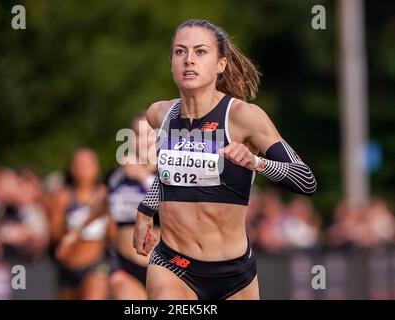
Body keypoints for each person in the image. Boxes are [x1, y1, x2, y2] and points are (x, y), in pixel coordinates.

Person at [133, 19, 317, 300]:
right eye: (180, 52)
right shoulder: (159, 114)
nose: (188, 60)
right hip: (172, 264)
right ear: (171, 61)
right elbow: (166, 172)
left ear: (220, 64)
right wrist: (146, 210)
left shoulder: (243, 117)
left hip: (233, 273)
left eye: (200, 52)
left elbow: (306, 180)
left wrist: (256, 163)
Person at [106, 114, 160, 299]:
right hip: (125, 263)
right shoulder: (117, 175)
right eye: (138, 134)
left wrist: (142, 177)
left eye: (149, 134)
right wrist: (76, 233)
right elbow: (101, 202)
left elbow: (177, 206)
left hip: (161, 265)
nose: (143, 140)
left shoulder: (168, 174)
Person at [50, 148, 113, 299]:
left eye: (88, 164)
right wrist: (68, 237)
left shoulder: (104, 195)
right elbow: (54, 234)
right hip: (68, 266)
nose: (83, 168)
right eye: (79, 164)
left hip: (96, 264)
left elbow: (113, 233)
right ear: (71, 168)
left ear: (96, 167)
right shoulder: (63, 197)